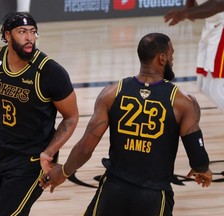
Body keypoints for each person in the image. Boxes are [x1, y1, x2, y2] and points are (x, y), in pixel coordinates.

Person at [40, 33, 213, 216]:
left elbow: (85, 147)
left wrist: (64, 171)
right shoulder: (183, 102)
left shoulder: (112, 92)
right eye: (171, 54)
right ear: (162, 58)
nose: (172, 58)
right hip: (153, 196)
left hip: (113, 190)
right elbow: (197, 154)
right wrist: (202, 168)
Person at [0, 12, 79, 215]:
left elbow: (71, 118)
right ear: (8, 35)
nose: (30, 38)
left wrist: (49, 152)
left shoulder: (50, 72)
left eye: (33, 32)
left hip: (34, 158)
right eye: (22, 32)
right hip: (2, 149)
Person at [164, 0, 224, 109]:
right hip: (212, 26)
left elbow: (220, 4)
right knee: (204, 86)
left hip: (221, 27)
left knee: (216, 89)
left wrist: (185, 13)